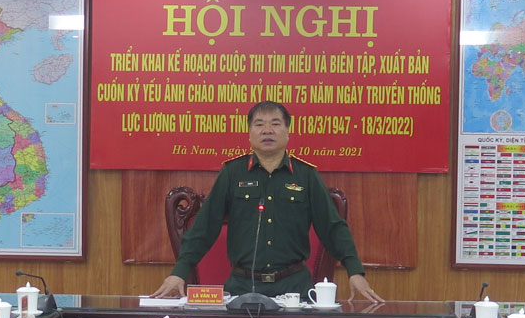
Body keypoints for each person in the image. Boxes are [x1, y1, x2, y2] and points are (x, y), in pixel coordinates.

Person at [152, 101, 383, 302]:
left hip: (295, 288)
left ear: (287, 131)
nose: (267, 130)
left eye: (275, 123)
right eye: (259, 124)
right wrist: (179, 272)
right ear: (249, 133)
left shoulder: (306, 175)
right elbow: (204, 227)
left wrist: (355, 271)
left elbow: (332, 227)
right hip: (242, 287)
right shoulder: (232, 173)